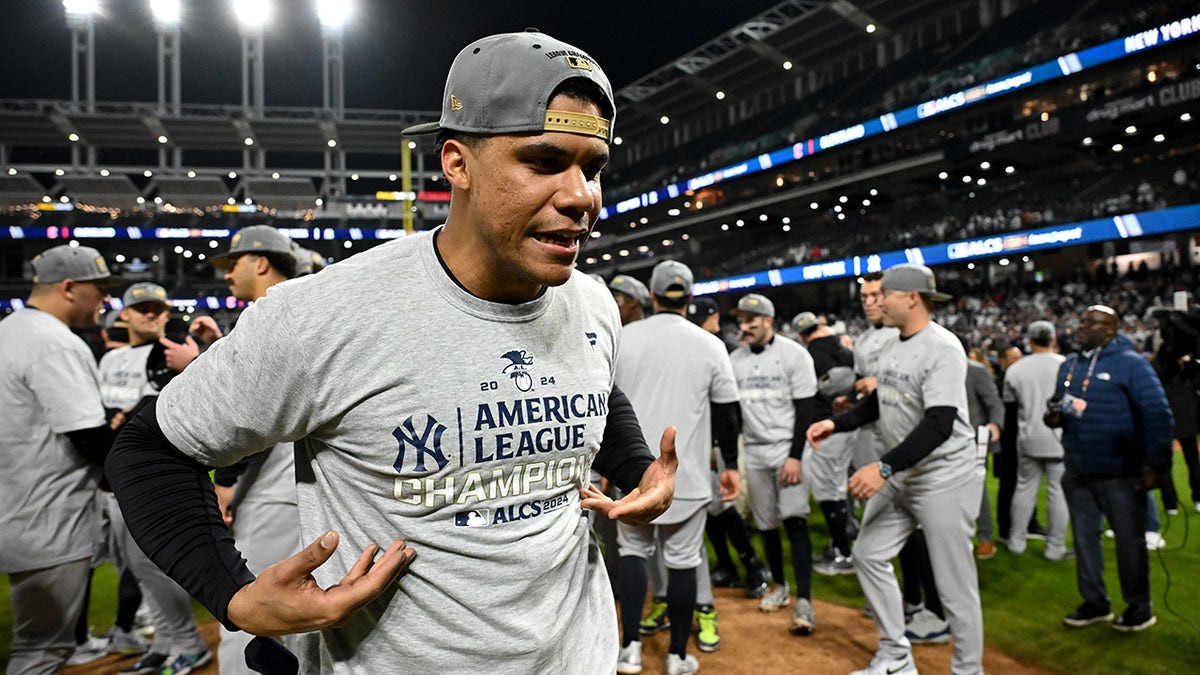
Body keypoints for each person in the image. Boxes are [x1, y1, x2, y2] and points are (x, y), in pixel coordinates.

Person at [107, 30, 677, 674]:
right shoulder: (325, 315)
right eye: (543, 162)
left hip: (580, 655)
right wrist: (233, 596)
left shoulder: (592, 301)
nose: (582, 196)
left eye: (592, 168)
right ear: (457, 162)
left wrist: (635, 467)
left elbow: (591, 388)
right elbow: (151, 450)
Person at [808, 263, 984, 675]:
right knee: (868, 554)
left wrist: (882, 468)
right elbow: (879, 403)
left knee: (955, 589)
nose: (877, 300)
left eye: (884, 293)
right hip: (901, 473)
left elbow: (939, 424)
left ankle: (968, 670)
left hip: (942, 478)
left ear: (912, 298)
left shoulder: (943, 346)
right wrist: (838, 422)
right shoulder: (889, 345)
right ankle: (895, 654)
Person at [615, 260, 741, 675]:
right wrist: (732, 465)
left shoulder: (624, 336)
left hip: (632, 470)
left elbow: (603, 406)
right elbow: (727, 413)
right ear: (689, 297)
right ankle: (675, 657)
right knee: (684, 560)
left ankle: (630, 649)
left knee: (632, 552)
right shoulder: (710, 344)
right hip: (683, 477)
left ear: (650, 296)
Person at [0, 245, 116, 673]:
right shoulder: (53, 341)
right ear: (69, 288)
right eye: (99, 288)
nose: (105, 300)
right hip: (48, 518)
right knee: (42, 650)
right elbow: (88, 436)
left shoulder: (10, 329)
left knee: (35, 643)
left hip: (17, 506)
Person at [204, 226, 306, 675]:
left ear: (261, 262)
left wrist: (223, 485)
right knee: (305, 615)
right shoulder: (308, 308)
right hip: (303, 489)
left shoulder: (271, 314)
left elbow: (249, 417)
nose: (227, 274)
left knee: (247, 614)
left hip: (272, 490)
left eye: (234, 263)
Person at [98, 282, 214, 674]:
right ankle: (164, 643)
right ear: (124, 314)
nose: (150, 314)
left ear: (167, 313)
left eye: (157, 308)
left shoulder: (174, 354)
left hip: (155, 480)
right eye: (141, 308)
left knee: (155, 567)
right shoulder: (109, 361)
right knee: (135, 568)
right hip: (111, 480)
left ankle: (189, 643)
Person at [1046, 305, 1173, 632]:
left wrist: (1156, 465)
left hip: (1120, 472)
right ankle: (1095, 602)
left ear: (1110, 329)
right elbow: (1061, 406)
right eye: (1082, 320)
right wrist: (1055, 416)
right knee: (1085, 541)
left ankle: (1139, 607)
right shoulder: (1070, 365)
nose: (1082, 326)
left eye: (1091, 322)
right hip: (1078, 469)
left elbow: (1158, 414)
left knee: (1129, 543)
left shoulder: (1132, 365)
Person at [730, 294, 819, 636]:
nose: (745, 326)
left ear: (768, 321)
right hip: (754, 451)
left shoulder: (794, 355)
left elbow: (805, 411)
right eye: (742, 320)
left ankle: (805, 600)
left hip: (787, 449)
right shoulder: (735, 359)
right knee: (766, 525)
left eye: (752, 320)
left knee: (795, 522)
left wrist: (796, 455)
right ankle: (779, 585)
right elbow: (734, 413)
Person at [687, 296, 770, 598]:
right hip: (699, 441)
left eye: (702, 320)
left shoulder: (726, 352)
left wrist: (720, 445)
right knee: (708, 508)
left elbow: (729, 409)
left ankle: (754, 565)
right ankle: (726, 565)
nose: (699, 326)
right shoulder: (694, 350)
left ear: (714, 320)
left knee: (723, 506)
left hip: (722, 442)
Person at [791, 311, 858, 577]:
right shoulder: (843, 345)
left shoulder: (812, 354)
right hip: (846, 424)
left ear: (801, 333)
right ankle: (841, 544)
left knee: (828, 492)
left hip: (826, 429)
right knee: (837, 488)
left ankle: (844, 553)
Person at [1003, 321, 1070, 561]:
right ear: (1053, 339)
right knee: (1058, 491)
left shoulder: (1016, 369)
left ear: (1029, 341)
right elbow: (1075, 405)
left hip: (1028, 436)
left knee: (1024, 488)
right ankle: (1054, 548)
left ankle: (1016, 541)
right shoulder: (1066, 365)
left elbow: (1010, 410)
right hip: (1059, 438)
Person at [963, 341, 1003, 561]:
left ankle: (986, 538)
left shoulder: (975, 370)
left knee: (977, 490)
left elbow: (994, 402)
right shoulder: (935, 366)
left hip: (972, 440)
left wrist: (995, 425)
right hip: (941, 439)